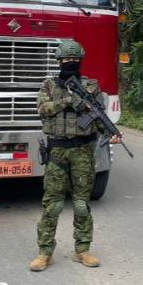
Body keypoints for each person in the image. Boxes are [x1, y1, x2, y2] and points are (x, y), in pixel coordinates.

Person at [30, 40, 120, 272]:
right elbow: (42, 109)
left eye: (75, 59)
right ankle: (45, 253)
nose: (71, 63)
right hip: (57, 151)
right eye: (67, 59)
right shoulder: (49, 85)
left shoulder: (91, 86)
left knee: (81, 204)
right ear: (59, 61)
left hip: (83, 152)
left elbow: (99, 117)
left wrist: (110, 133)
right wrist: (69, 100)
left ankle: (83, 250)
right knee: (53, 205)